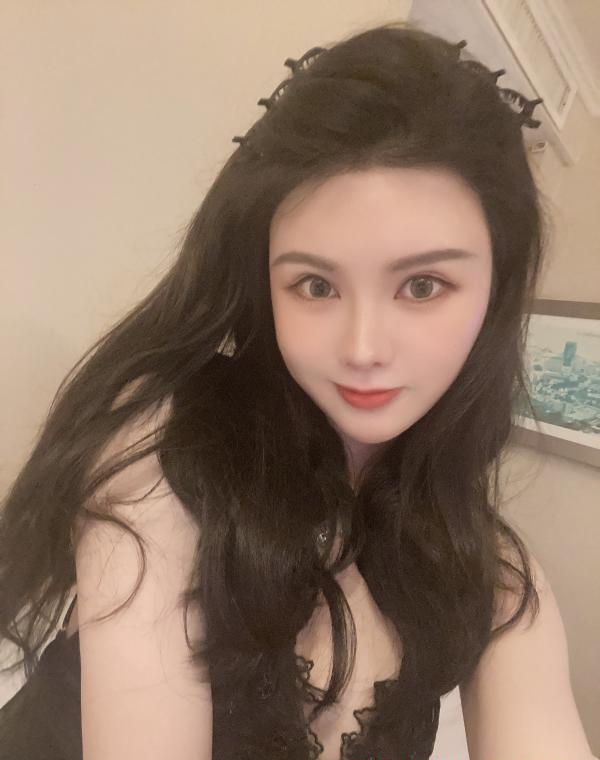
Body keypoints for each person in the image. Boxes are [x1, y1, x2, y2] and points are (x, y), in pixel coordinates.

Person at [0, 19, 596, 760]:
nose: (363, 349)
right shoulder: (165, 468)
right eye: (315, 285)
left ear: (495, 293)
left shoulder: (490, 572)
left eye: (422, 285)